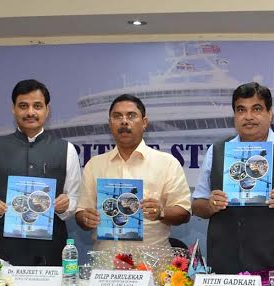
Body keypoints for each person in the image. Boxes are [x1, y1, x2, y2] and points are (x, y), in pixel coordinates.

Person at [191, 82, 274, 275]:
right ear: (234, 115)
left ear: (270, 113)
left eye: (256, 109)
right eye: (241, 110)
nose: (248, 117)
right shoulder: (217, 151)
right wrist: (210, 205)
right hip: (226, 265)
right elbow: (197, 205)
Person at [0, 79, 82, 266]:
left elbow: (76, 198)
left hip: (51, 250)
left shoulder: (67, 149)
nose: (30, 112)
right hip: (5, 249)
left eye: (37, 106)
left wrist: (67, 205)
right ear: (13, 109)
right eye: (23, 106)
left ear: (47, 110)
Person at [75, 94, 191, 250]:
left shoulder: (167, 163)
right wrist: (85, 218)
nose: (124, 121)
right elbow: (81, 212)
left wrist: (161, 212)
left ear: (144, 123)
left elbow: (184, 212)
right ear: (110, 124)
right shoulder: (94, 165)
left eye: (131, 115)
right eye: (117, 116)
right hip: (105, 263)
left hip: (152, 263)